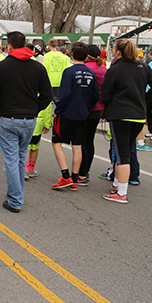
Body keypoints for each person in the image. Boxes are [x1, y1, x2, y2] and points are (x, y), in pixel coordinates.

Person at [0, 31, 52, 213]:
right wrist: (35, 108)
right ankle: (16, 192)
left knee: (12, 161)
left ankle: (15, 200)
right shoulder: (37, 68)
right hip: (29, 120)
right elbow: (47, 95)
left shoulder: (2, 68)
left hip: (9, 118)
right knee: (21, 158)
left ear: (10, 47)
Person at [99, 39, 152, 203]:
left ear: (118, 51)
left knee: (122, 155)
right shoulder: (143, 66)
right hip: (138, 115)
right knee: (127, 149)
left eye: (114, 49)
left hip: (120, 114)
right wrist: (143, 99)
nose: (113, 52)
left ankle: (121, 192)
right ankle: (116, 184)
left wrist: (110, 103)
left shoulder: (115, 68)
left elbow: (105, 94)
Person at [50, 42, 99, 191]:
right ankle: (75, 178)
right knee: (77, 146)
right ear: (87, 56)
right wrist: (85, 106)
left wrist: (58, 109)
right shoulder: (91, 73)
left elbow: (64, 95)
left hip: (67, 113)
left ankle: (66, 176)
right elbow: (95, 95)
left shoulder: (69, 72)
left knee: (56, 141)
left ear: (71, 55)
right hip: (83, 114)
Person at [77, 44, 107, 184]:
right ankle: (85, 171)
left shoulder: (86, 69)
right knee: (89, 140)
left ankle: (81, 173)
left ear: (87, 55)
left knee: (81, 141)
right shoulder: (103, 68)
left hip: (85, 108)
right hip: (99, 108)